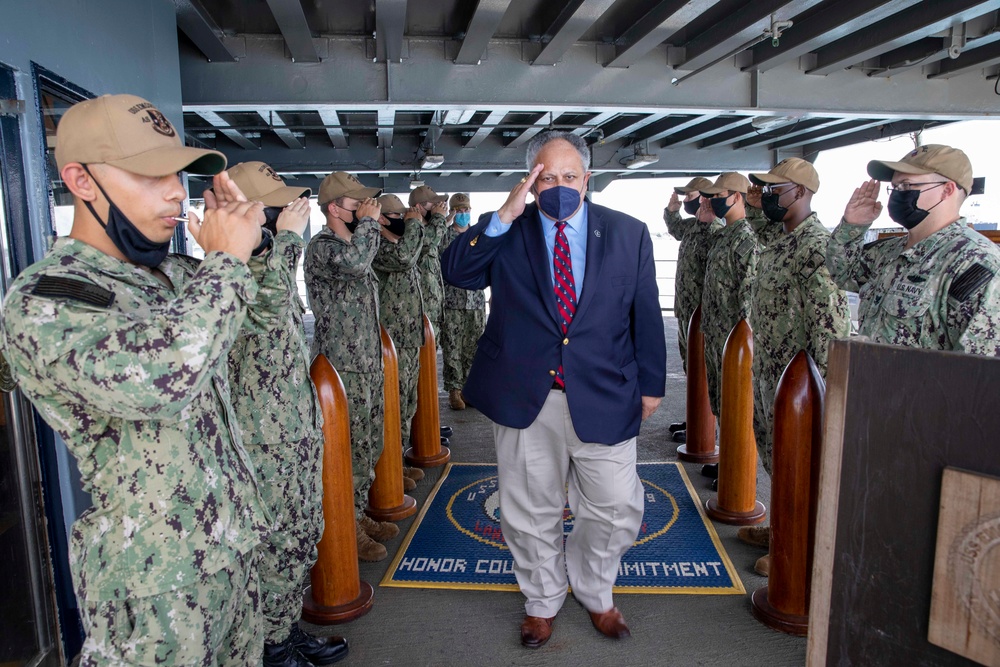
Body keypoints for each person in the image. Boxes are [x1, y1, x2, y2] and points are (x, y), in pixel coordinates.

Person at [0, 94, 271, 664]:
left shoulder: (169, 272)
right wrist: (225, 263)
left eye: (178, 172)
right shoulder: (46, 299)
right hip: (154, 587)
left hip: (232, 552)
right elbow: (164, 379)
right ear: (81, 181)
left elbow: (267, 320)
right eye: (153, 173)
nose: (176, 190)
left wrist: (254, 238)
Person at [441, 131, 666, 649]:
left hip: (605, 391)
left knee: (615, 506)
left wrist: (652, 386)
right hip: (526, 394)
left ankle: (594, 588)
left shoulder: (628, 233)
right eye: (548, 177)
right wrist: (502, 216)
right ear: (530, 179)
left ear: (588, 179)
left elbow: (645, 315)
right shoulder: (506, 231)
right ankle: (542, 599)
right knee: (527, 506)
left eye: (570, 176)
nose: (560, 186)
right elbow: (456, 272)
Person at [223, 162, 348, 665]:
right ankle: (271, 648)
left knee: (300, 541)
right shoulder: (232, 272)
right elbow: (268, 307)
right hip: (261, 447)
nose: (288, 214)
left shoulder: (265, 265)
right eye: (276, 207)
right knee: (274, 550)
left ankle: (284, 629)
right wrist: (289, 242)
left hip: (292, 433)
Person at [744, 158, 851, 577]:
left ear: (802, 193)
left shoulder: (817, 247)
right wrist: (756, 208)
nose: (768, 196)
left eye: (776, 190)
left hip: (803, 384)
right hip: (772, 373)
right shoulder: (781, 239)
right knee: (775, 456)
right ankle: (782, 528)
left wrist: (820, 392)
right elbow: (762, 229)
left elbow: (829, 330)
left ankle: (800, 546)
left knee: (801, 461)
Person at [304, 172, 399, 563]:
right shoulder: (323, 247)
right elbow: (357, 265)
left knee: (367, 443)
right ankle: (347, 527)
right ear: (334, 209)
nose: (365, 209)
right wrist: (369, 225)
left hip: (365, 361)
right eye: (355, 204)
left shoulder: (355, 242)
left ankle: (357, 513)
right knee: (347, 450)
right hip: (341, 366)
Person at [827, 144, 1000, 354]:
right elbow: (843, 274)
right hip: (869, 382)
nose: (898, 194)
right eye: (896, 187)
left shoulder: (974, 262)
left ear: (947, 190)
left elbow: (982, 369)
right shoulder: (889, 252)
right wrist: (853, 226)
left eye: (907, 186)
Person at [371, 193, 426, 489]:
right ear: (382, 219)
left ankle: (399, 462)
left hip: (407, 336)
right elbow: (404, 259)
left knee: (407, 403)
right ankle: (388, 471)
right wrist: (415, 224)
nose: (405, 220)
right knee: (392, 404)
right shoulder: (379, 247)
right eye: (399, 216)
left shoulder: (399, 243)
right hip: (391, 340)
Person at [663, 177, 720, 442]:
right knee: (691, 368)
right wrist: (672, 209)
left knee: (705, 371)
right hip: (686, 313)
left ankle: (707, 430)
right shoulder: (693, 226)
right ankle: (695, 421)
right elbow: (675, 228)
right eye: (684, 197)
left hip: (703, 315)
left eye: (690, 197)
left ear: (705, 197)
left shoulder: (713, 228)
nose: (687, 201)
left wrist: (709, 220)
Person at [700, 173, 759, 422]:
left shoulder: (747, 237)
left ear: (736, 197)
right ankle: (725, 456)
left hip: (733, 337)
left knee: (736, 402)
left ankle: (734, 459)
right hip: (716, 335)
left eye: (718, 196)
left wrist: (743, 340)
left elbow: (749, 297)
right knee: (721, 400)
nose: (713, 200)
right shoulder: (724, 234)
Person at [408, 184, 454, 446]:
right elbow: (428, 244)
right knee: (419, 377)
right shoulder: (414, 230)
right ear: (419, 207)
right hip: (419, 313)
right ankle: (422, 433)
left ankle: (430, 425)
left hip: (432, 311)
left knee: (428, 375)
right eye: (433, 204)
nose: (439, 207)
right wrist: (438, 220)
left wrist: (441, 220)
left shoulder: (430, 227)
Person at [440, 193, 486, 411]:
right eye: (458, 211)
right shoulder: (444, 236)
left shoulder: (479, 235)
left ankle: (469, 388)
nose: (463, 214)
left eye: (466, 210)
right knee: (452, 347)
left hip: (475, 300)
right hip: (452, 300)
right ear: (452, 212)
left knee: (474, 346)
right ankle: (454, 390)